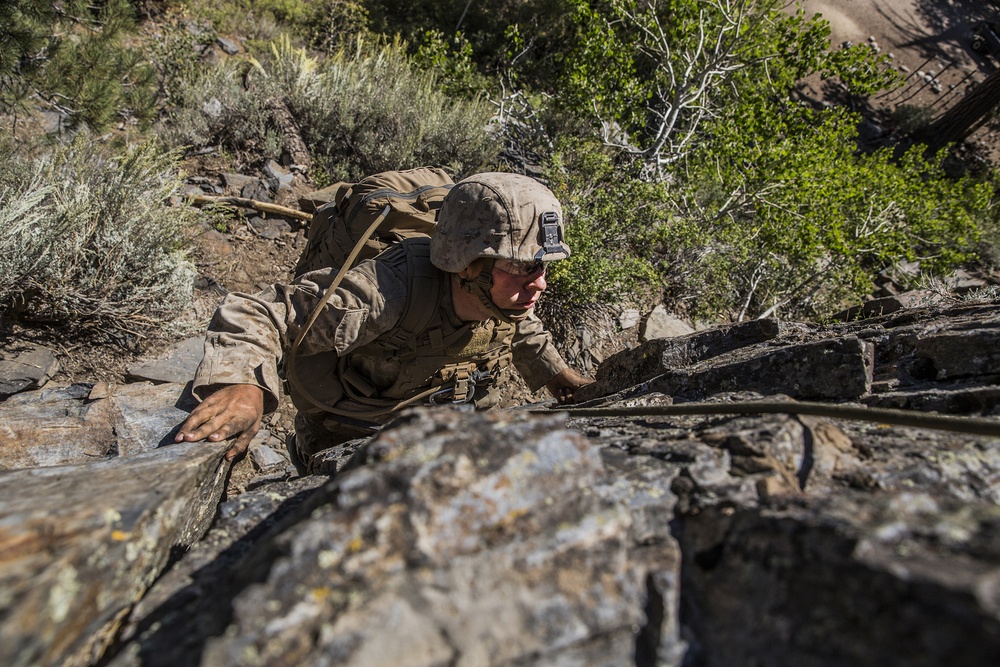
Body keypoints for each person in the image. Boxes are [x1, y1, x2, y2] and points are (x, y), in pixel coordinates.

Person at [175, 173, 593, 471]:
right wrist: (243, 385)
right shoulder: (387, 292)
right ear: (467, 266)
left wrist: (555, 373)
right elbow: (263, 310)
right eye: (521, 267)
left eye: (543, 267)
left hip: (451, 428)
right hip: (356, 438)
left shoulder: (504, 295)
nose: (539, 284)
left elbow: (522, 326)